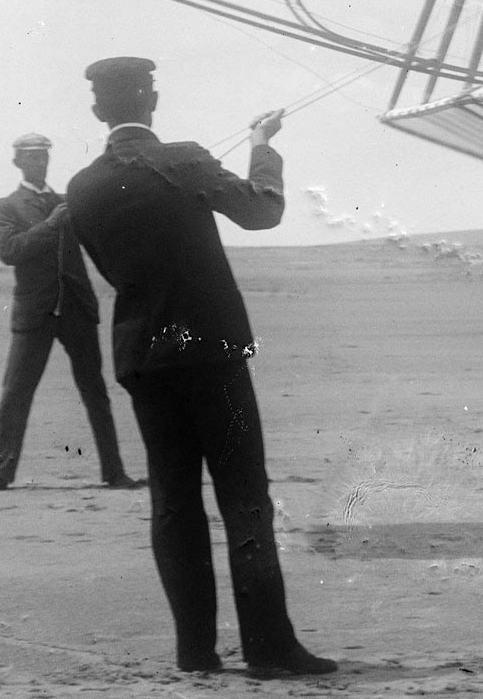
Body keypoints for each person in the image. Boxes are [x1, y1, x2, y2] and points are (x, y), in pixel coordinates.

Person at [64, 57, 336, 678]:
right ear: (152, 99)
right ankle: (269, 648)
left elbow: (111, 268)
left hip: (143, 357)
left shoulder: (81, 187)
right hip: (211, 350)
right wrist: (263, 146)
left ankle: (195, 651)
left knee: (172, 502)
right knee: (244, 499)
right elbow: (263, 211)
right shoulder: (183, 158)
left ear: (97, 111)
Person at [0, 132, 141, 494]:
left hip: (77, 309)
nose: (40, 163)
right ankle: (1, 473)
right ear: (18, 162)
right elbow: (10, 250)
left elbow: (107, 212)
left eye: (44, 157)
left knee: (95, 391)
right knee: (16, 393)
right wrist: (52, 224)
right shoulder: (5, 207)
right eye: (32, 158)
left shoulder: (69, 201)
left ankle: (114, 473)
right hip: (35, 312)